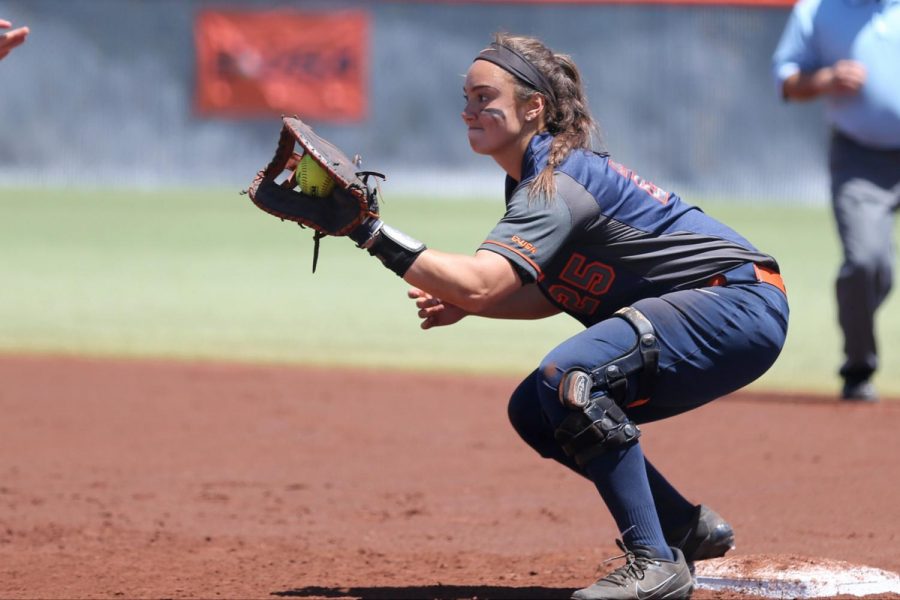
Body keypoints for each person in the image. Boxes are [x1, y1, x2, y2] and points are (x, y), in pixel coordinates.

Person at [345, 33, 789, 600]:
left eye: (485, 97)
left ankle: (654, 563)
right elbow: (554, 292)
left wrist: (367, 231)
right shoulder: (538, 178)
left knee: (571, 379)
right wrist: (473, 303)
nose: (469, 110)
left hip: (735, 302)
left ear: (534, 107)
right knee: (534, 409)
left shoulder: (559, 182)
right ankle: (680, 525)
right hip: (729, 307)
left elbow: (484, 280)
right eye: (467, 97)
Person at [772, 0, 900, 402]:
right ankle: (858, 365)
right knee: (866, 262)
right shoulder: (816, 10)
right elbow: (787, 81)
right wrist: (825, 79)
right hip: (862, 157)